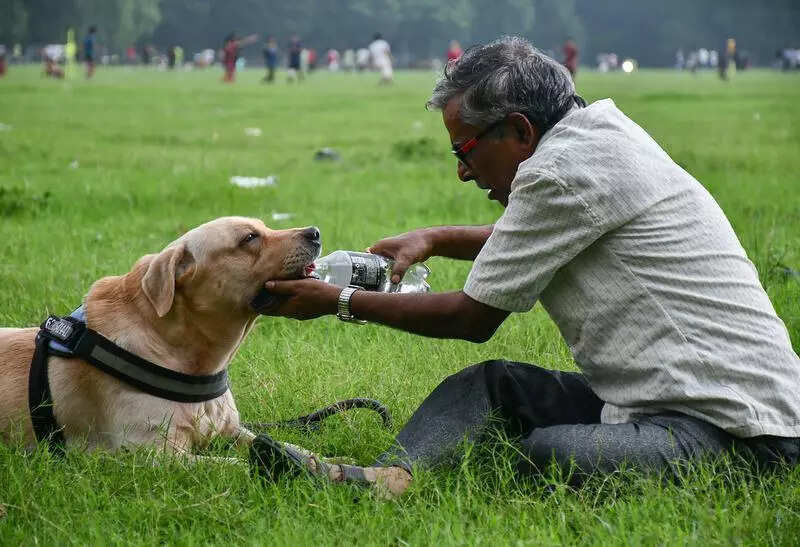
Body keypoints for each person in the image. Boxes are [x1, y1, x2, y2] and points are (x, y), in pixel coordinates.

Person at [251, 36, 800, 495]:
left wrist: (339, 301)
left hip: (740, 428)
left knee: (551, 454)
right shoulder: (597, 133)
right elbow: (535, 235)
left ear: (519, 131)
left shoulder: (558, 172)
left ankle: (391, 480)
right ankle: (386, 479)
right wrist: (434, 239)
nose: (464, 172)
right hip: (662, 397)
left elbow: (472, 319)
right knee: (495, 385)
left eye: (464, 150)